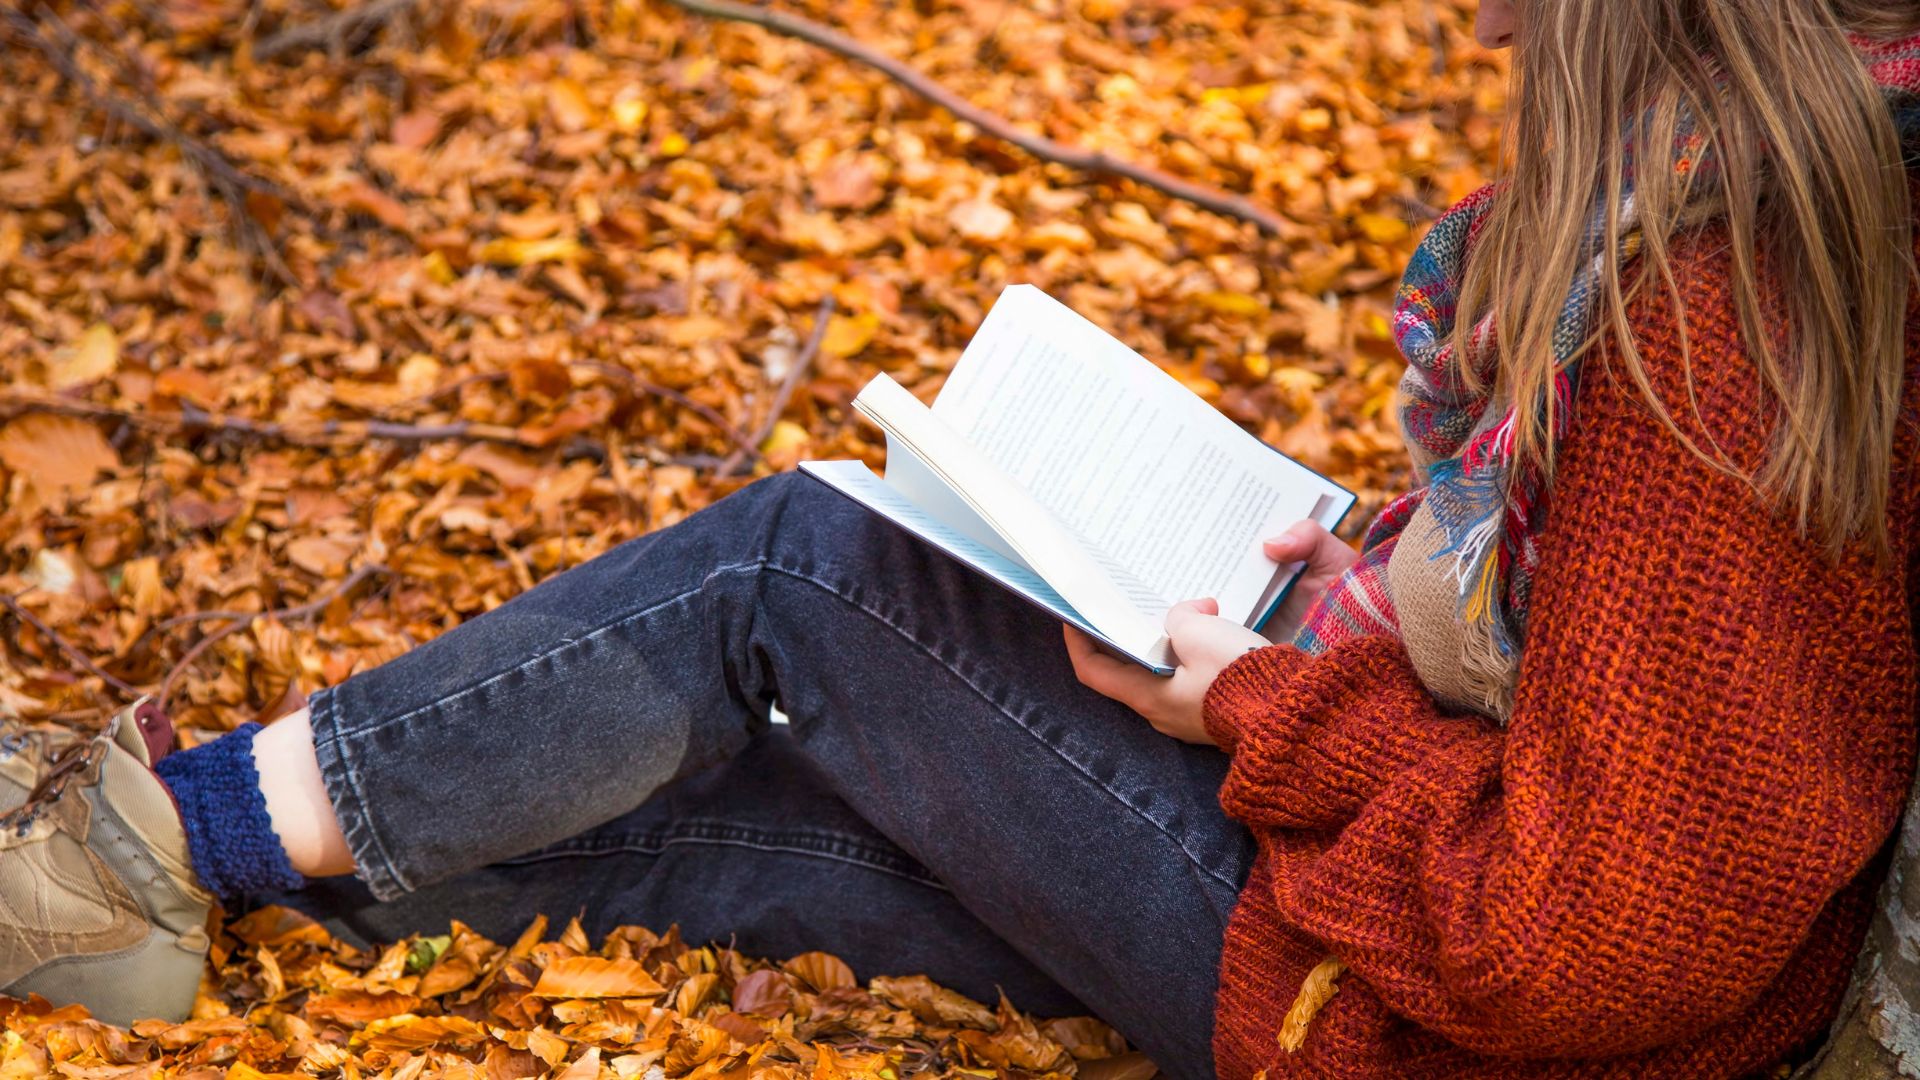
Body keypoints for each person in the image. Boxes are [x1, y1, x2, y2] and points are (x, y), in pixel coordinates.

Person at [8, 0, 1920, 1075]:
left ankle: (141, 844)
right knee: (795, 815)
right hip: (1443, 990)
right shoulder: (1721, 237)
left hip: (1435, 1032)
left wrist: (1267, 710)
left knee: (798, 578)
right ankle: (199, 903)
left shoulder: (1715, 323)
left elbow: (1601, 940)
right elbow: (1627, 708)